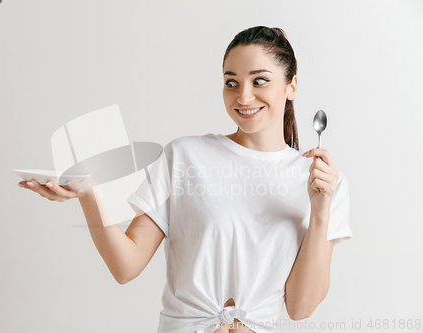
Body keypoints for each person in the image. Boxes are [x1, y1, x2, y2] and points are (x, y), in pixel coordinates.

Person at [18, 26, 353, 333]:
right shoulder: (186, 156)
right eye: (231, 82)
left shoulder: (321, 181)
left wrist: (321, 212)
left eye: (260, 80)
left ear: (291, 84)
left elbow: (300, 307)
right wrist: (90, 195)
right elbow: (126, 266)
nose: (244, 97)